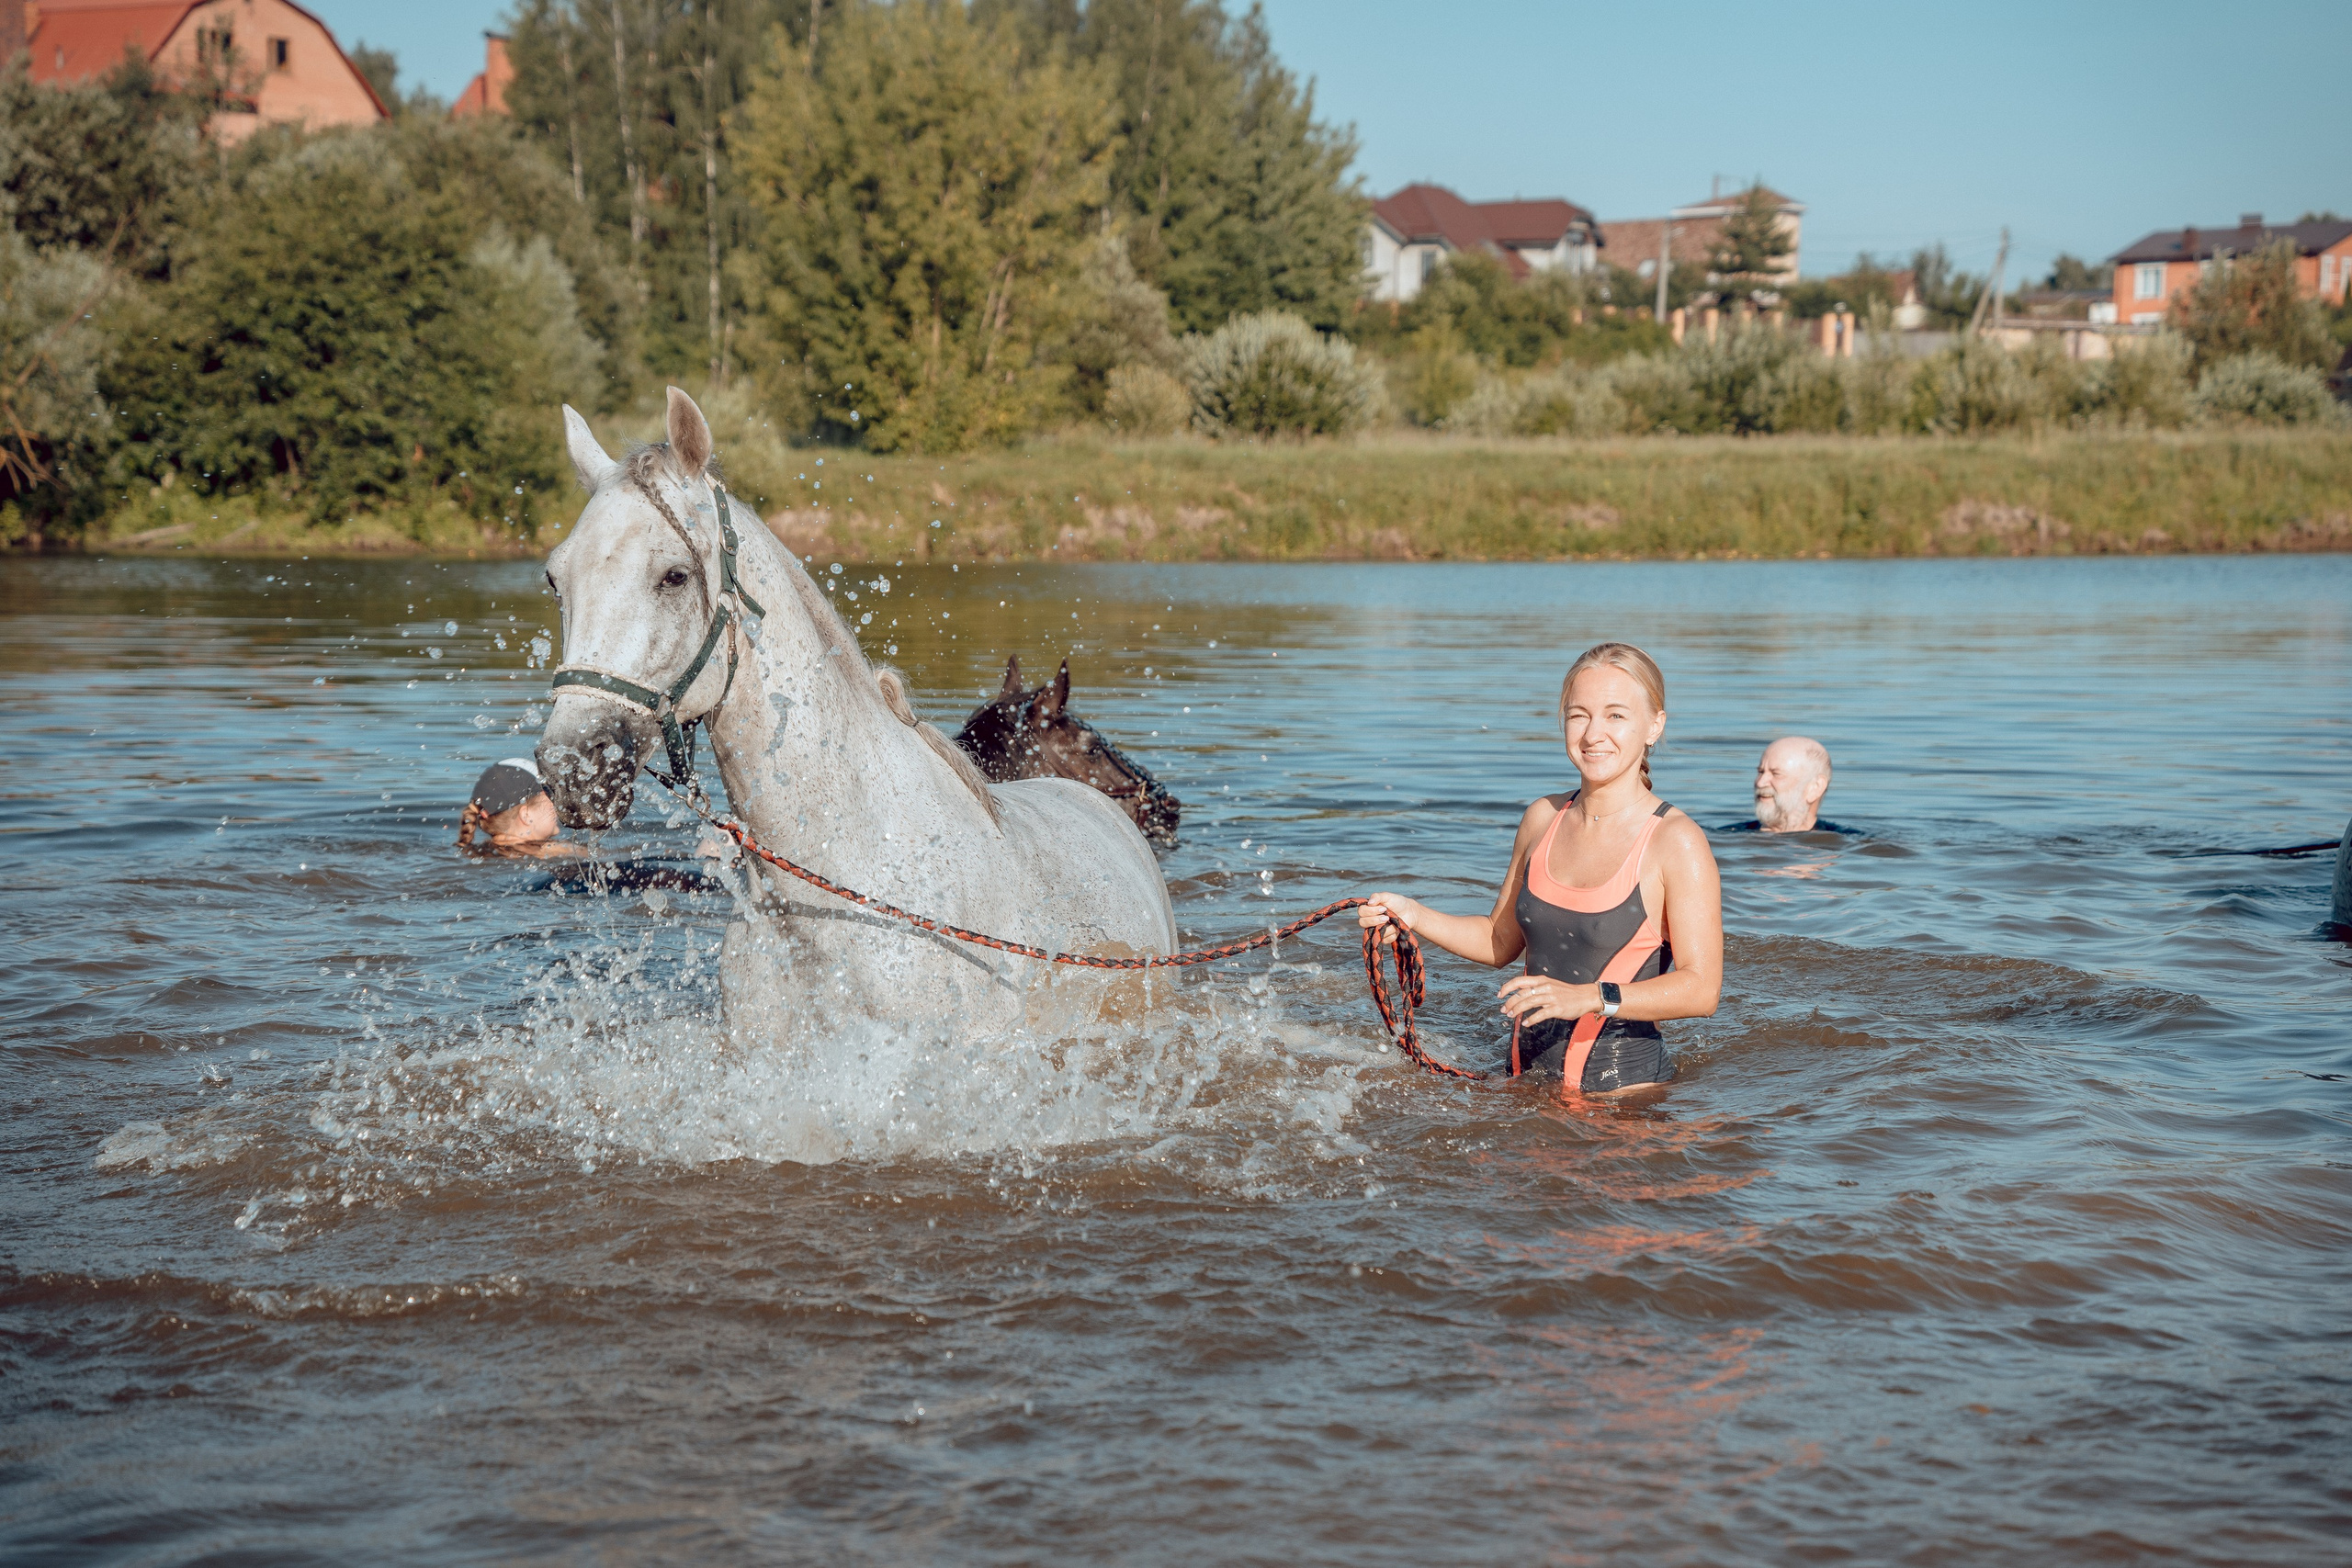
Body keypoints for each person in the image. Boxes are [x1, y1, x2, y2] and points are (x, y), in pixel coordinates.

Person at [1358, 643, 1723, 1098]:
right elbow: (1498, 939)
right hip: (1524, 1086)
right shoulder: (1542, 818)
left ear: (1654, 725)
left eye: (1615, 715)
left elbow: (1702, 988)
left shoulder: (1676, 841)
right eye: (1578, 715)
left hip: (1625, 1104)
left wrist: (1590, 997)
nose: (1593, 734)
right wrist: (1413, 914)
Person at [458, 758, 585, 858]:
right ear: (527, 815)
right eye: (550, 794)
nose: (557, 801)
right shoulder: (557, 850)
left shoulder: (475, 852)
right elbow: (604, 858)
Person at [1729, 737, 1856, 835]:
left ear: (1815, 788)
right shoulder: (1729, 835)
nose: (1760, 782)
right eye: (1761, 772)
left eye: (1776, 774)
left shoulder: (1843, 844)